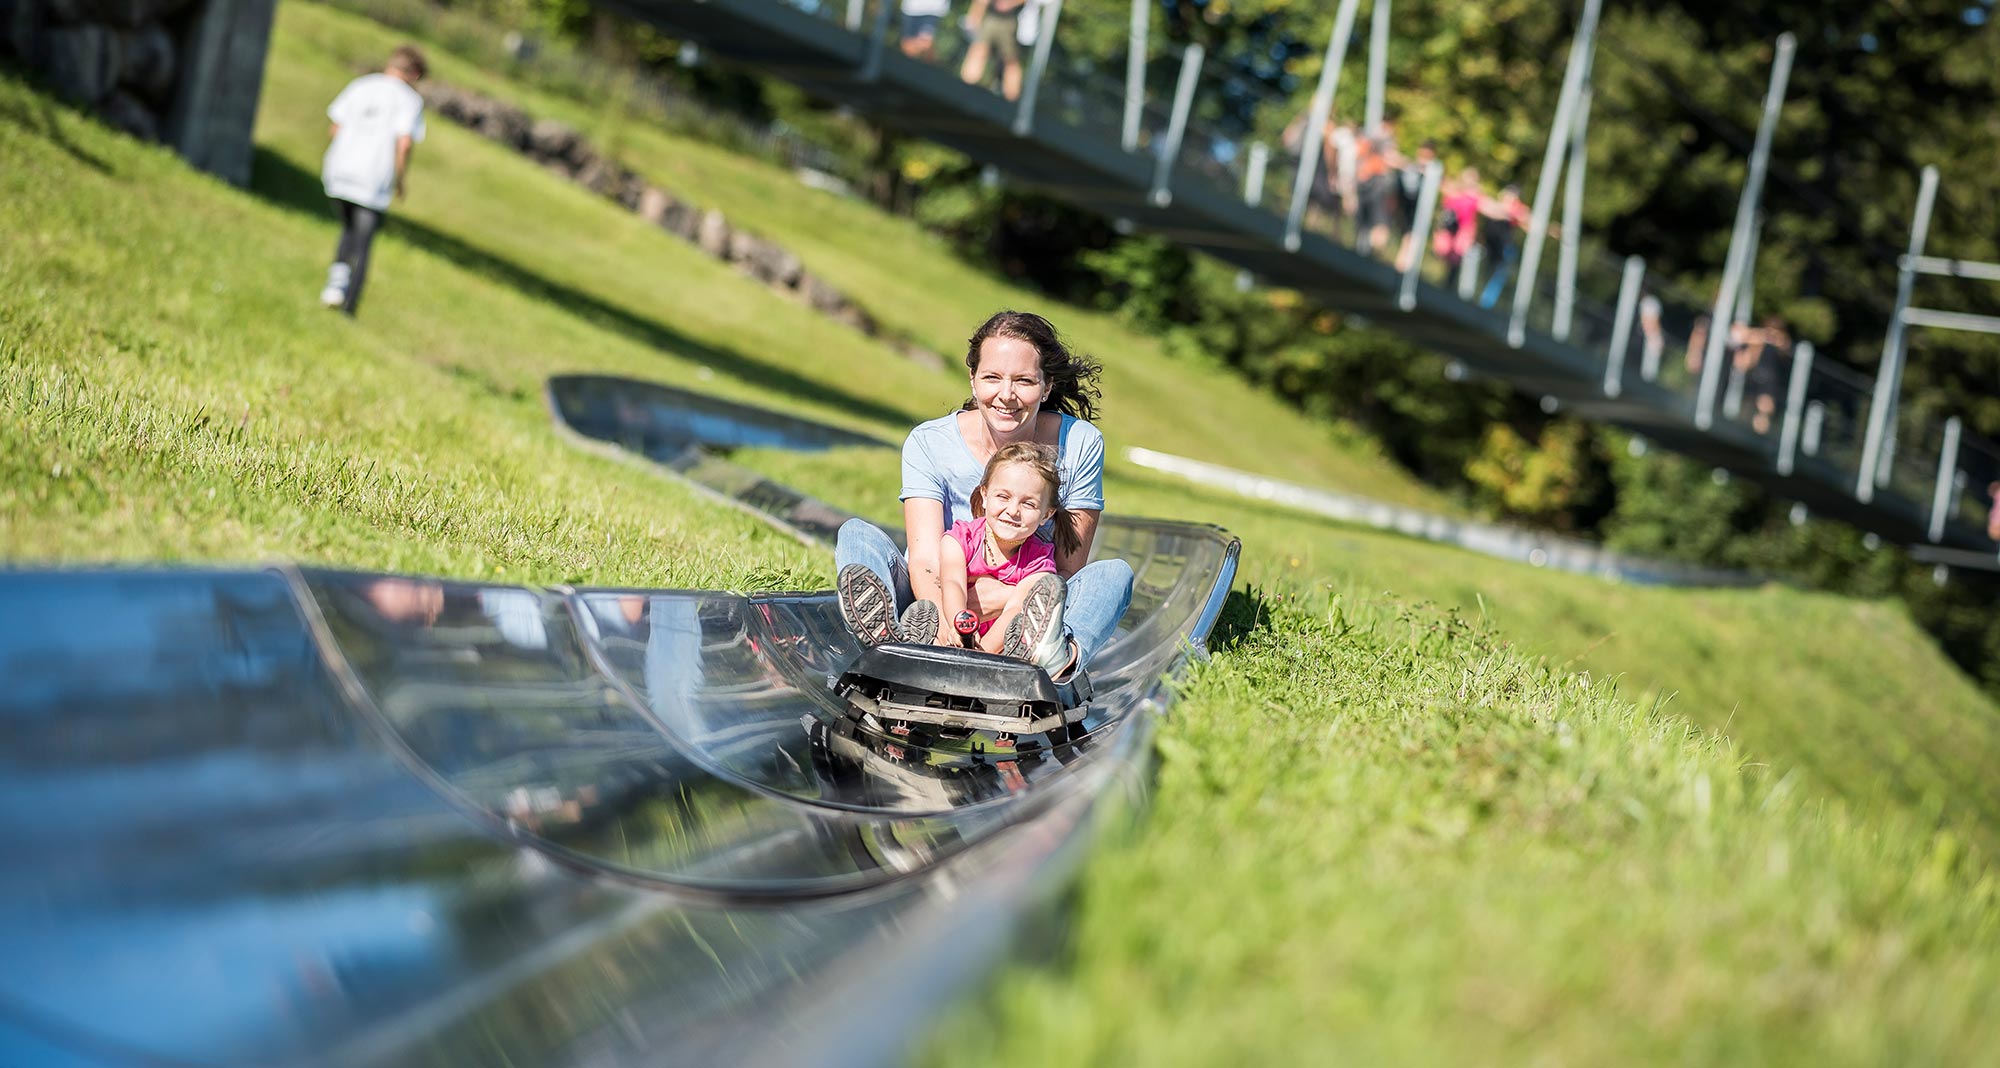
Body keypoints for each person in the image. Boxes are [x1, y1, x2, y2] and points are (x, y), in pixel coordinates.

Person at [834, 310, 1134, 681]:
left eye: (1024, 381)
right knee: (856, 534)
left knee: (1115, 575)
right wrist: (944, 617)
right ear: (973, 380)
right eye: (992, 377)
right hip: (932, 597)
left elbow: (1067, 569)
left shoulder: (1080, 443)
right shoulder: (929, 442)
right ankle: (900, 640)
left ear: (1047, 385)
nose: (1006, 395)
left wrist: (1008, 601)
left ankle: (1055, 656)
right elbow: (926, 559)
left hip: (1027, 607)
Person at [929, 442, 1072, 671]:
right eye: (1003, 497)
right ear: (985, 495)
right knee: (931, 616)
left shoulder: (1039, 562)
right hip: (955, 634)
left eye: (1028, 503)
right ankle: (917, 638)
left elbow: (1015, 609)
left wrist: (979, 658)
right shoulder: (959, 539)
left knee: (1022, 634)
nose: (1013, 510)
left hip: (996, 651)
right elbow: (952, 583)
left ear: (1046, 514)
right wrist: (959, 624)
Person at [318, 45, 428, 316]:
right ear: (413, 74)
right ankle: (349, 306)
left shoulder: (361, 85)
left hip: (340, 168)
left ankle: (336, 284)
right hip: (373, 176)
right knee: (363, 241)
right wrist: (400, 180)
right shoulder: (410, 101)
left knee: (347, 228)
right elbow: (403, 144)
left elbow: (335, 127)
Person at [960, 0, 1027, 100]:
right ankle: (964, 89)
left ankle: (1013, 99)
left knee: (1010, 61)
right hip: (990, 17)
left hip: (1009, 20)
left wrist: (1009, 3)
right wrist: (975, 14)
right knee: (978, 51)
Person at [1476, 184, 1528, 309]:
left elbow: (1524, 218)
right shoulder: (1495, 205)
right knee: (1484, 271)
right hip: (1489, 244)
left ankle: (1486, 303)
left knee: (1498, 275)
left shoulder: (1517, 210)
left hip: (1504, 247)